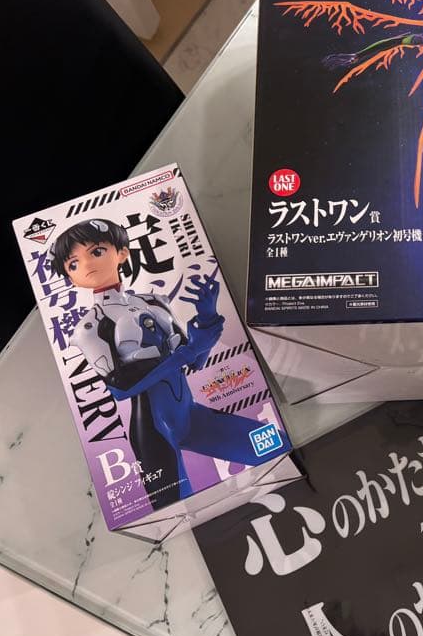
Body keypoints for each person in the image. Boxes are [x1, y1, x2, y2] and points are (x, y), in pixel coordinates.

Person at [51, 218, 269, 510]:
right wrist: (182, 354)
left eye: (97, 251)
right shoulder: (90, 328)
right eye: (73, 264)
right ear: (70, 277)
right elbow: (120, 388)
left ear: (122, 253)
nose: (87, 264)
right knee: (179, 511)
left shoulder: (153, 302)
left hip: (191, 415)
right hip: (153, 430)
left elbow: (196, 360)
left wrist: (207, 318)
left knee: (271, 445)